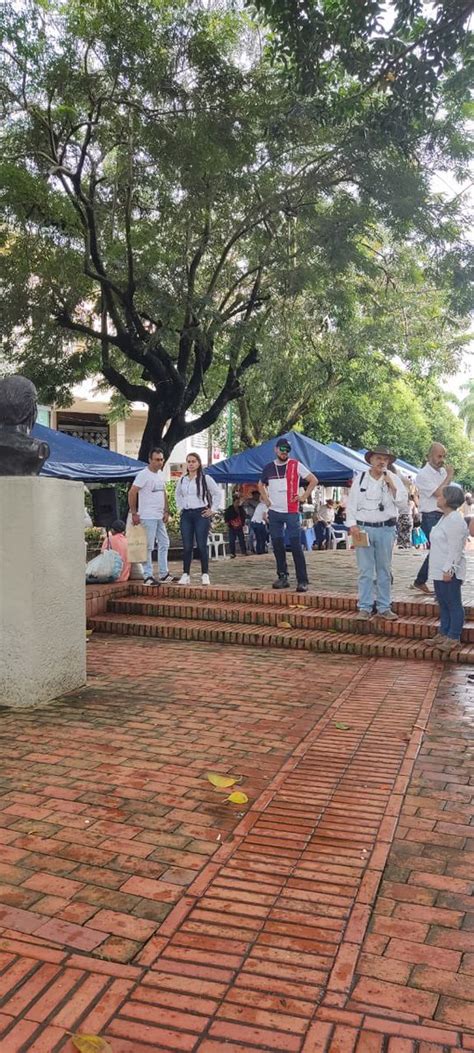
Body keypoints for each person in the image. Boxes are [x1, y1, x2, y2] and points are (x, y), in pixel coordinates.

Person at [346, 445, 407, 620]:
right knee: (365, 570)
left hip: (386, 529)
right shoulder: (361, 478)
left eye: (385, 459)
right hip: (363, 528)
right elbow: (351, 504)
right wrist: (352, 525)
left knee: (384, 570)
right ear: (371, 460)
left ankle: (384, 607)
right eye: (379, 458)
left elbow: (403, 506)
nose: (382, 462)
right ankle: (364, 607)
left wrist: (393, 487)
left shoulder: (394, 478)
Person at [259, 437, 317, 592]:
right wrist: (266, 500)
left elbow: (313, 480)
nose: (284, 452)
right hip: (275, 512)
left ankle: (302, 580)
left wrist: (303, 497)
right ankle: (282, 576)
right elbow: (260, 484)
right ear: (276, 449)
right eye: (282, 449)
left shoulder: (295, 465)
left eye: (287, 450)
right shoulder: (269, 467)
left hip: (291, 511)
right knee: (277, 545)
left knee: (296, 545)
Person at [429, 484, 468, 654]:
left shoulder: (455, 520)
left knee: (453, 603)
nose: (438, 497)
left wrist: (449, 569)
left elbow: (456, 547)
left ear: (448, 499)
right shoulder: (445, 517)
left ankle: (453, 637)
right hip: (438, 568)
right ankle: (444, 632)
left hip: (448, 570)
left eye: (441, 496)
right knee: (443, 603)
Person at [411, 443, 454, 596]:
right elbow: (438, 492)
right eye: (439, 456)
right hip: (430, 516)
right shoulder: (423, 474)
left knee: (440, 550)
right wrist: (449, 476)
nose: (442, 460)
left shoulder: (442, 471)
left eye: (443, 456)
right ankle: (435, 586)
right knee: (439, 550)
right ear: (429, 456)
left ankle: (421, 580)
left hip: (443, 515)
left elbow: (447, 492)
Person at [128, 447, 173, 585]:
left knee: (164, 542)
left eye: (161, 459)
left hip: (159, 515)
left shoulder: (161, 474)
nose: (160, 462)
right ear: (150, 460)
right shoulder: (143, 474)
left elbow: (163, 493)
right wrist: (134, 512)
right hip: (147, 515)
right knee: (148, 546)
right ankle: (147, 575)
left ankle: (164, 573)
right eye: (157, 460)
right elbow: (132, 492)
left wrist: (166, 510)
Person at [175, 452, 221, 585]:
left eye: (193, 461)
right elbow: (178, 494)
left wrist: (212, 510)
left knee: (201, 544)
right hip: (187, 514)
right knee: (187, 545)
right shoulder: (183, 479)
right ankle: (186, 574)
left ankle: (205, 574)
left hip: (201, 514)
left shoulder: (205, 479)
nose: (190, 464)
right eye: (188, 461)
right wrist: (180, 508)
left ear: (199, 463)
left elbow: (217, 494)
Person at [395, 473, 413, 550]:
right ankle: (406, 546)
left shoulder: (402, 494)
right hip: (408, 516)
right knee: (407, 534)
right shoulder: (410, 500)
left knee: (402, 533)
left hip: (402, 516)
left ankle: (403, 546)